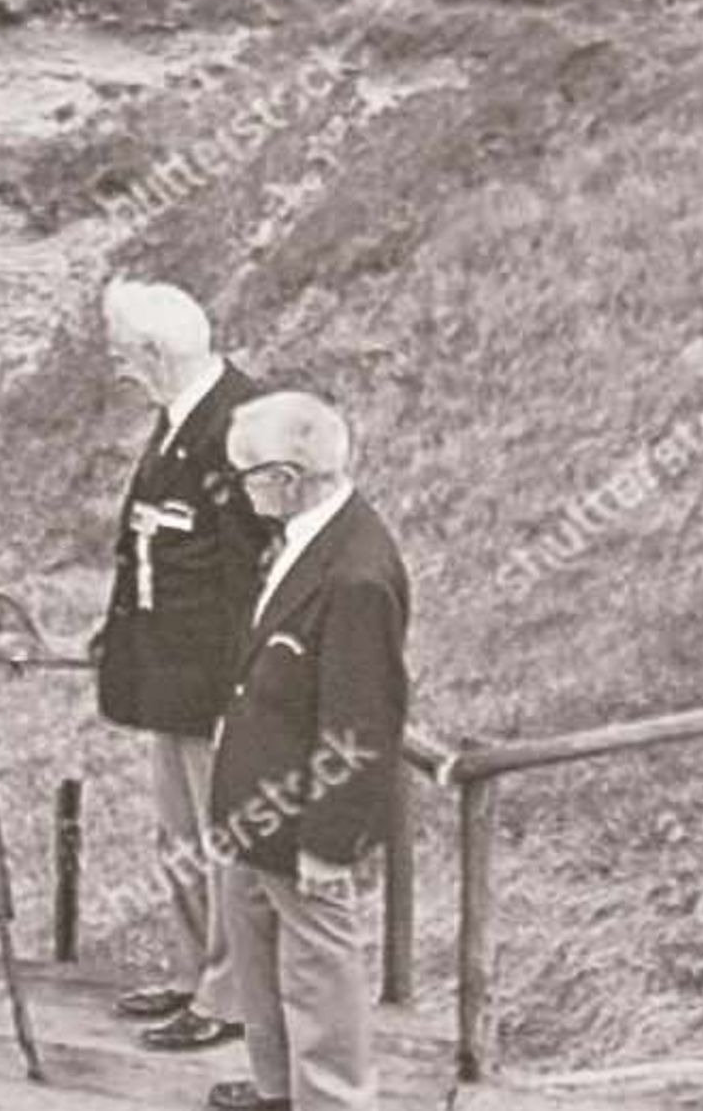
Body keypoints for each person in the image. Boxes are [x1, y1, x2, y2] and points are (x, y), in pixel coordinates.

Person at [205, 392, 412, 1111]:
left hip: (302, 819)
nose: (240, 488)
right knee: (260, 965)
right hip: (255, 810)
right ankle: (276, 1090)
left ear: (288, 477)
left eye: (247, 475)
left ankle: (330, 1101)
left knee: (320, 977)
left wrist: (330, 843)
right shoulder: (302, 535)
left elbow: (362, 723)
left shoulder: (355, 574)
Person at [93, 280, 269, 1053]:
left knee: (222, 840)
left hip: (214, 680)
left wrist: (245, 683)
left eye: (122, 352)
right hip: (169, 676)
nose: (115, 365)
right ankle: (195, 970)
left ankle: (230, 999)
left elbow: (257, 572)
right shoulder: (179, 422)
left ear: (156, 354)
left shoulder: (240, 426)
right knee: (182, 838)